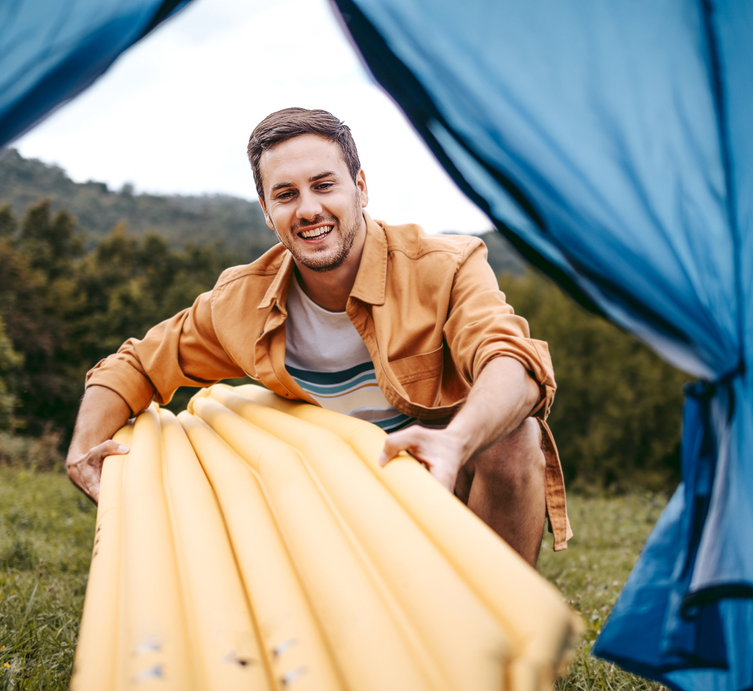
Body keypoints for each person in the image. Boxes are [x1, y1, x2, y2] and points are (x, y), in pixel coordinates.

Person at [66, 107, 570, 565]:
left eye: (324, 185)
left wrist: (454, 443)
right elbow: (134, 364)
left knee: (513, 438)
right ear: (267, 211)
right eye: (286, 194)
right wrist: (84, 448)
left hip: (443, 483)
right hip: (331, 503)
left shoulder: (445, 266)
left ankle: (496, 635)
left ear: (361, 187)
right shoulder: (240, 302)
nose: (308, 209)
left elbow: (512, 362)